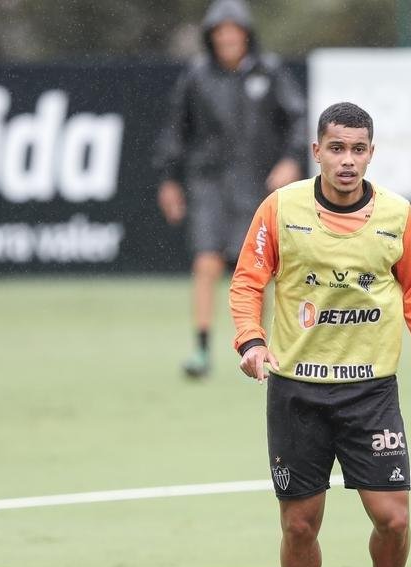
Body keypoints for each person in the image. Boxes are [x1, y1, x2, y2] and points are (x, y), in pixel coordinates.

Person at [229, 101, 411, 567]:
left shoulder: (397, 216)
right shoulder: (281, 209)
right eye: (336, 148)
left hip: (371, 390)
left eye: (358, 150)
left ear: (371, 153)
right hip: (297, 390)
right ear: (317, 150)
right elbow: (249, 279)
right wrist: (250, 341)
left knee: (393, 518)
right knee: (300, 526)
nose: (347, 161)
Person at [153, 0, 306, 379]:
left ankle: (260, 347)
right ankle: (201, 350)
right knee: (206, 262)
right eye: (220, 32)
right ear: (211, 37)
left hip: (257, 184)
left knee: (258, 269)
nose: (227, 38)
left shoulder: (268, 73)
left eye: (233, 31)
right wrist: (169, 179)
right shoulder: (196, 77)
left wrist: (290, 159)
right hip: (209, 183)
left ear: (246, 34)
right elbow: (176, 130)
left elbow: (298, 120)